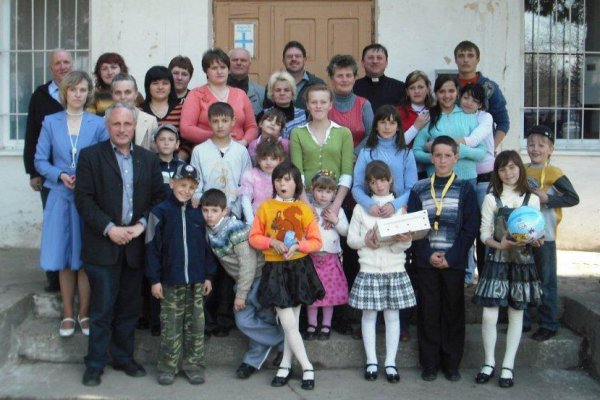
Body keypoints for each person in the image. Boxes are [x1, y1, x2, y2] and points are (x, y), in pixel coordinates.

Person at [75, 102, 164, 387]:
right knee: (101, 309)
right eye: (117, 124)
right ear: (107, 126)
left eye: (127, 124)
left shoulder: (148, 160)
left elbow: (158, 199)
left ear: (134, 126)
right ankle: (95, 363)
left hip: (135, 246)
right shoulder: (90, 157)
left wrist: (140, 226)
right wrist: (109, 229)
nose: (123, 129)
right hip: (102, 245)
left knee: (128, 308)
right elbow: (84, 199)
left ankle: (123, 357)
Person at [34, 71, 108, 337]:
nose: (78, 94)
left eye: (83, 89)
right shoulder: (50, 122)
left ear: (89, 93)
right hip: (60, 195)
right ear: (65, 92)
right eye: (73, 89)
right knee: (65, 257)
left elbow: (103, 158)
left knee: (85, 257)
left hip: (87, 198)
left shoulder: (98, 123)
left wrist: (86, 180)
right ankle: (67, 313)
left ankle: (84, 313)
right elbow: (40, 160)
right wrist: (60, 175)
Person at [407, 135, 479, 382]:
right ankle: (429, 364)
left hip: (453, 261)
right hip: (426, 260)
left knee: (453, 311)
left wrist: (452, 256)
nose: (442, 160)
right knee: (429, 310)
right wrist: (427, 254)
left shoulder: (466, 189)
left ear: (456, 158)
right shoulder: (419, 189)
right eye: (437, 155)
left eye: (448, 155)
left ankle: (451, 363)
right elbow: (414, 226)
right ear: (431, 158)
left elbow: (471, 227)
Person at [249, 162, 325, 390]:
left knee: (292, 320)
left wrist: (299, 246)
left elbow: (316, 241)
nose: (282, 184)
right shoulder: (265, 207)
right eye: (279, 179)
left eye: (287, 180)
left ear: (296, 184)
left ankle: (285, 365)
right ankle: (307, 366)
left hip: (299, 268)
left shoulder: (303, 209)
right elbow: (254, 237)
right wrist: (271, 241)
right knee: (289, 323)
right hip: (275, 269)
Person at [472, 150, 543, 388]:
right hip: (497, 261)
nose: (508, 173)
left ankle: (507, 366)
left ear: (520, 169)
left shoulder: (531, 199)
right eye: (502, 169)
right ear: (497, 173)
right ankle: (489, 362)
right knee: (489, 314)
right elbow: (483, 234)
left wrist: (536, 240)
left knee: (516, 314)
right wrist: (498, 243)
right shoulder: (492, 198)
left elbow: (536, 230)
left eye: (512, 167)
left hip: (522, 263)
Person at [200, 188, 285, 380]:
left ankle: (252, 361)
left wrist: (241, 294)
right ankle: (286, 342)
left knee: (262, 317)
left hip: (258, 277)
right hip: (243, 280)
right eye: (205, 210)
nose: (209, 215)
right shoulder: (209, 229)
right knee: (244, 320)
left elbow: (248, 264)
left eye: (214, 211)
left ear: (225, 211)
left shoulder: (234, 228)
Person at [352, 105, 418, 341]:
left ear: (399, 126)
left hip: (396, 212)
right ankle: (368, 321)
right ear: (376, 125)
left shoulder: (406, 153)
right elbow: (357, 186)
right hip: (372, 212)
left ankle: (402, 325)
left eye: (392, 122)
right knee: (371, 264)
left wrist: (396, 204)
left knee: (397, 264)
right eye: (383, 122)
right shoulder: (367, 152)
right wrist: (369, 204)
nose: (388, 126)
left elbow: (412, 187)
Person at [145, 164, 216, 385]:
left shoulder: (198, 213)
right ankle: (168, 366)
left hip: (196, 281)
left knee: (196, 326)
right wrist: (154, 280)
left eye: (192, 187)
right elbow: (151, 248)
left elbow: (207, 248)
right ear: (172, 183)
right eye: (182, 185)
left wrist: (208, 275)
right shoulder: (159, 212)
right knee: (170, 326)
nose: (186, 190)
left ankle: (194, 365)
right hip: (170, 281)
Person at [348, 160, 415, 383]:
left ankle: (391, 363)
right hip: (369, 269)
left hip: (394, 269)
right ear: (368, 184)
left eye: (383, 181)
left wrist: (404, 241)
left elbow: (402, 245)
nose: (379, 186)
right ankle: (371, 361)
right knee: (368, 316)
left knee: (392, 316)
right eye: (374, 182)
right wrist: (366, 241)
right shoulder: (361, 208)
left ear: (390, 181)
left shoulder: (399, 208)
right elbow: (351, 240)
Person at [23, 48, 73, 293]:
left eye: (66, 62)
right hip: (50, 174)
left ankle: (78, 275)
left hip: (78, 174)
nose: (62, 67)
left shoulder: (81, 93)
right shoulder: (41, 95)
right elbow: (31, 133)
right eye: (57, 63)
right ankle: (54, 278)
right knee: (54, 227)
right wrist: (32, 171)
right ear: (51, 68)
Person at [524, 125, 579, 341]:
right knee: (525, 279)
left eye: (541, 145)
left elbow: (573, 198)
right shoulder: (522, 170)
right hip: (524, 236)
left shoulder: (555, 173)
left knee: (546, 281)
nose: (535, 149)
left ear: (550, 149)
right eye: (531, 144)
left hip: (545, 236)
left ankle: (549, 323)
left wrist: (549, 199)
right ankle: (525, 320)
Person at [290, 84, 354, 219]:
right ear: (307, 105)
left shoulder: (344, 133)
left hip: (333, 197)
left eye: (323, 102)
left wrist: (335, 206)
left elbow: (347, 173)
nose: (318, 106)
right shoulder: (297, 133)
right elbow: (297, 172)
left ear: (330, 105)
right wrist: (305, 203)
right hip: (305, 196)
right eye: (314, 102)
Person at [413, 74, 485, 181]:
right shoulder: (428, 117)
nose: (447, 95)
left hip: (467, 180)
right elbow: (416, 151)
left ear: (457, 92)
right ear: (436, 93)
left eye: (451, 91)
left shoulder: (469, 117)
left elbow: (482, 152)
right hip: (437, 180)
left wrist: (463, 151)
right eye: (442, 91)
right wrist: (436, 157)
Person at [180, 48, 258, 147]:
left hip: (238, 151)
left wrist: (243, 142)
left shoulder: (241, 94)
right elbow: (185, 129)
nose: (219, 71)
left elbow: (252, 127)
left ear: (228, 69)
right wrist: (216, 136)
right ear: (206, 71)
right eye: (214, 68)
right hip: (207, 151)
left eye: (223, 67)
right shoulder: (196, 94)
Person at [305, 171, 349, 341]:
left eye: (329, 191)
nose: (324, 195)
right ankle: (311, 324)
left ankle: (326, 325)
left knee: (328, 295)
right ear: (312, 190)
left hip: (330, 259)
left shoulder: (337, 211)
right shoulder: (308, 209)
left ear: (334, 193)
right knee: (312, 294)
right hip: (311, 259)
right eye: (320, 190)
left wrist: (335, 220)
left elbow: (346, 231)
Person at [190, 102, 252, 218]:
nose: (220, 126)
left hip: (234, 213)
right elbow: (196, 184)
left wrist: (239, 210)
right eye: (215, 121)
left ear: (233, 121)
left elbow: (246, 184)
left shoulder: (241, 151)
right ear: (209, 122)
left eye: (224, 121)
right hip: (208, 214)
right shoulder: (199, 151)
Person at [454, 40, 509, 149]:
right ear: (455, 60)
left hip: (482, 154)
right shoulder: (449, 87)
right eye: (461, 56)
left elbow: (503, 122)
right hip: (452, 151)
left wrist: (491, 148)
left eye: (470, 55)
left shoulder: (489, 88)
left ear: (477, 59)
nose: (465, 60)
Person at [139, 66, 189, 160]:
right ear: (148, 86)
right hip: (146, 165)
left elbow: (188, 141)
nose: (160, 87)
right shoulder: (139, 111)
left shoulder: (182, 108)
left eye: (165, 83)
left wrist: (175, 162)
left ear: (171, 86)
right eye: (155, 83)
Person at [326, 54, 374, 151]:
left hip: (358, 159)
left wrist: (353, 155)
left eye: (348, 75)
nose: (345, 80)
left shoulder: (364, 104)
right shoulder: (323, 103)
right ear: (331, 78)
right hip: (329, 160)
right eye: (340, 76)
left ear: (354, 78)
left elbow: (371, 135)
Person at [240, 138, 286, 225]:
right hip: (257, 219)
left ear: (280, 160)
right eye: (264, 158)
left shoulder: (284, 177)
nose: (268, 162)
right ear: (258, 159)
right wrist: (251, 222)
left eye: (273, 159)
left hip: (280, 221)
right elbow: (246, 200)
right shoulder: (251, 175)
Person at [110, 73, 158, 150]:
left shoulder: (150, 121)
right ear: (112, 95)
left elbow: (155, 153)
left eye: (127, 92)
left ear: (136, 94)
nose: (123, 97)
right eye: (118, 93)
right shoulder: (103, 121)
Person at [353, 43, 405, 114]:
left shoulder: (400, 88)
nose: (375, 61)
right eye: (370, 58)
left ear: (386, 63)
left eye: (379, 58)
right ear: (363, 63)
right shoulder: (353, 87)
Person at [273, 40, 325, 109]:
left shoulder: (318, 84)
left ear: (304, 60)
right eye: (289, 56)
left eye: (298, 56)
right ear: (283, 61)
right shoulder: (273, 85)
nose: (294, 59)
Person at [258, 71, 307, 139]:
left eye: (286, 90)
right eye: (278, 90)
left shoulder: (305, 115)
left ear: (292, 93)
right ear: (272, 93)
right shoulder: (263, 115)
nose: (282, 93)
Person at [89, 52, 138, 116]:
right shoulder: (93, 95)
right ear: (99, 73)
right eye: (104, 69)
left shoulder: (134, 93)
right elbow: (91, 121)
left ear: (121, 69)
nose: (109, 72)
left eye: (113, 67)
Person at [397, 70, 434, 149]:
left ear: (428, 89)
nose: (416, 91)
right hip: (405, 158)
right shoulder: (398, 112)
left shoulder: (436, 111)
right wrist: (415, 127)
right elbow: (396, 144)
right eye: (412, 88)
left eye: (420, 87)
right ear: (407, 92)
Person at [227, 48, 264, 117]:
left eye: (243, 60)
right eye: (235, 60)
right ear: (227, 63)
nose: (239, 63)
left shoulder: (261, 93)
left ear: (249, 64)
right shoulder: (217, 90)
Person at [152, 124, 186, 194]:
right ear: (155, 143)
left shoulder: (183, 166)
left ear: (177, 144)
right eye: (162, 139)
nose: (166, 143)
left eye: (171, 139)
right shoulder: (150, 165)